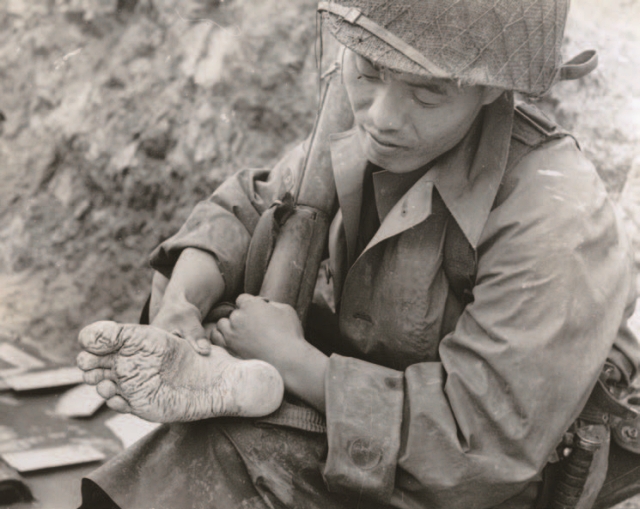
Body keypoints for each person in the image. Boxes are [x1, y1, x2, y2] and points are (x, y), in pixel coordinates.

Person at [76, 1, 640, 508]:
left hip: (464, 487)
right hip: (338, 432)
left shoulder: (553, 214)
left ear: (491, 88)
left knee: (220, 458)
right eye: (369, 73)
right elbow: (253, 206)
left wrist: (294, 363)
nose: (383, 117)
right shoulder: (354, 116)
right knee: (170, 464)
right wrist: (181, 307)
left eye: (427, 93)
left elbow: (478, 448)